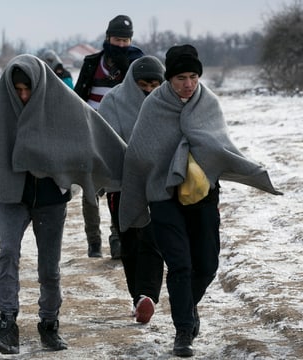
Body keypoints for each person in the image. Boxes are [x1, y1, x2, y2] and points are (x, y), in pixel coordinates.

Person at [0, 54, 126, 354]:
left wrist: (117, 170)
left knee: (49, 267)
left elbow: (92, 135)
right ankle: (7, 326)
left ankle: (49, 324)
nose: (23, 95)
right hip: (12, 195)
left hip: (50, 199)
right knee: (7, 255)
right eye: (17, 89)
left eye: (27, 88)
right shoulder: (1, 106)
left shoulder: (61, 103)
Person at [118, 44, 282, 357]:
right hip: (163, 196)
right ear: (169, 79)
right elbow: (139, 154)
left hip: (203, 196)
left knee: (206, 265)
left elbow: (219, 146)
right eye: (181, 77)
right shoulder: (154, 106)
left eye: (193, 76)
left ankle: (188, 308)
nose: (188, 84)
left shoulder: (209, 103)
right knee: (180, 264)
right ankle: (183, 333)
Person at [97, 55, 166, 324]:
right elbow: (104, 141)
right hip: (121, 185)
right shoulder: (113, 101)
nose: (148, 89)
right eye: (142, 84)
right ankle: (138, 296)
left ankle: (146, 295)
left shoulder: (168, 103)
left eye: (154, 84)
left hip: (157, 183)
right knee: (129, 241)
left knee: (152, 238)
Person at [73, 14, 144, 260]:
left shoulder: (139, 63)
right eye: (117, 39)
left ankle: (118, 237)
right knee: (91, 187)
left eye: (125, 40)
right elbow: (78, 97)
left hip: (126, 136)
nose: (121, 44)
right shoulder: (93, 63)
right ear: (107, 37)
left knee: (121, 187)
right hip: (93, 133)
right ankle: (93, 241)